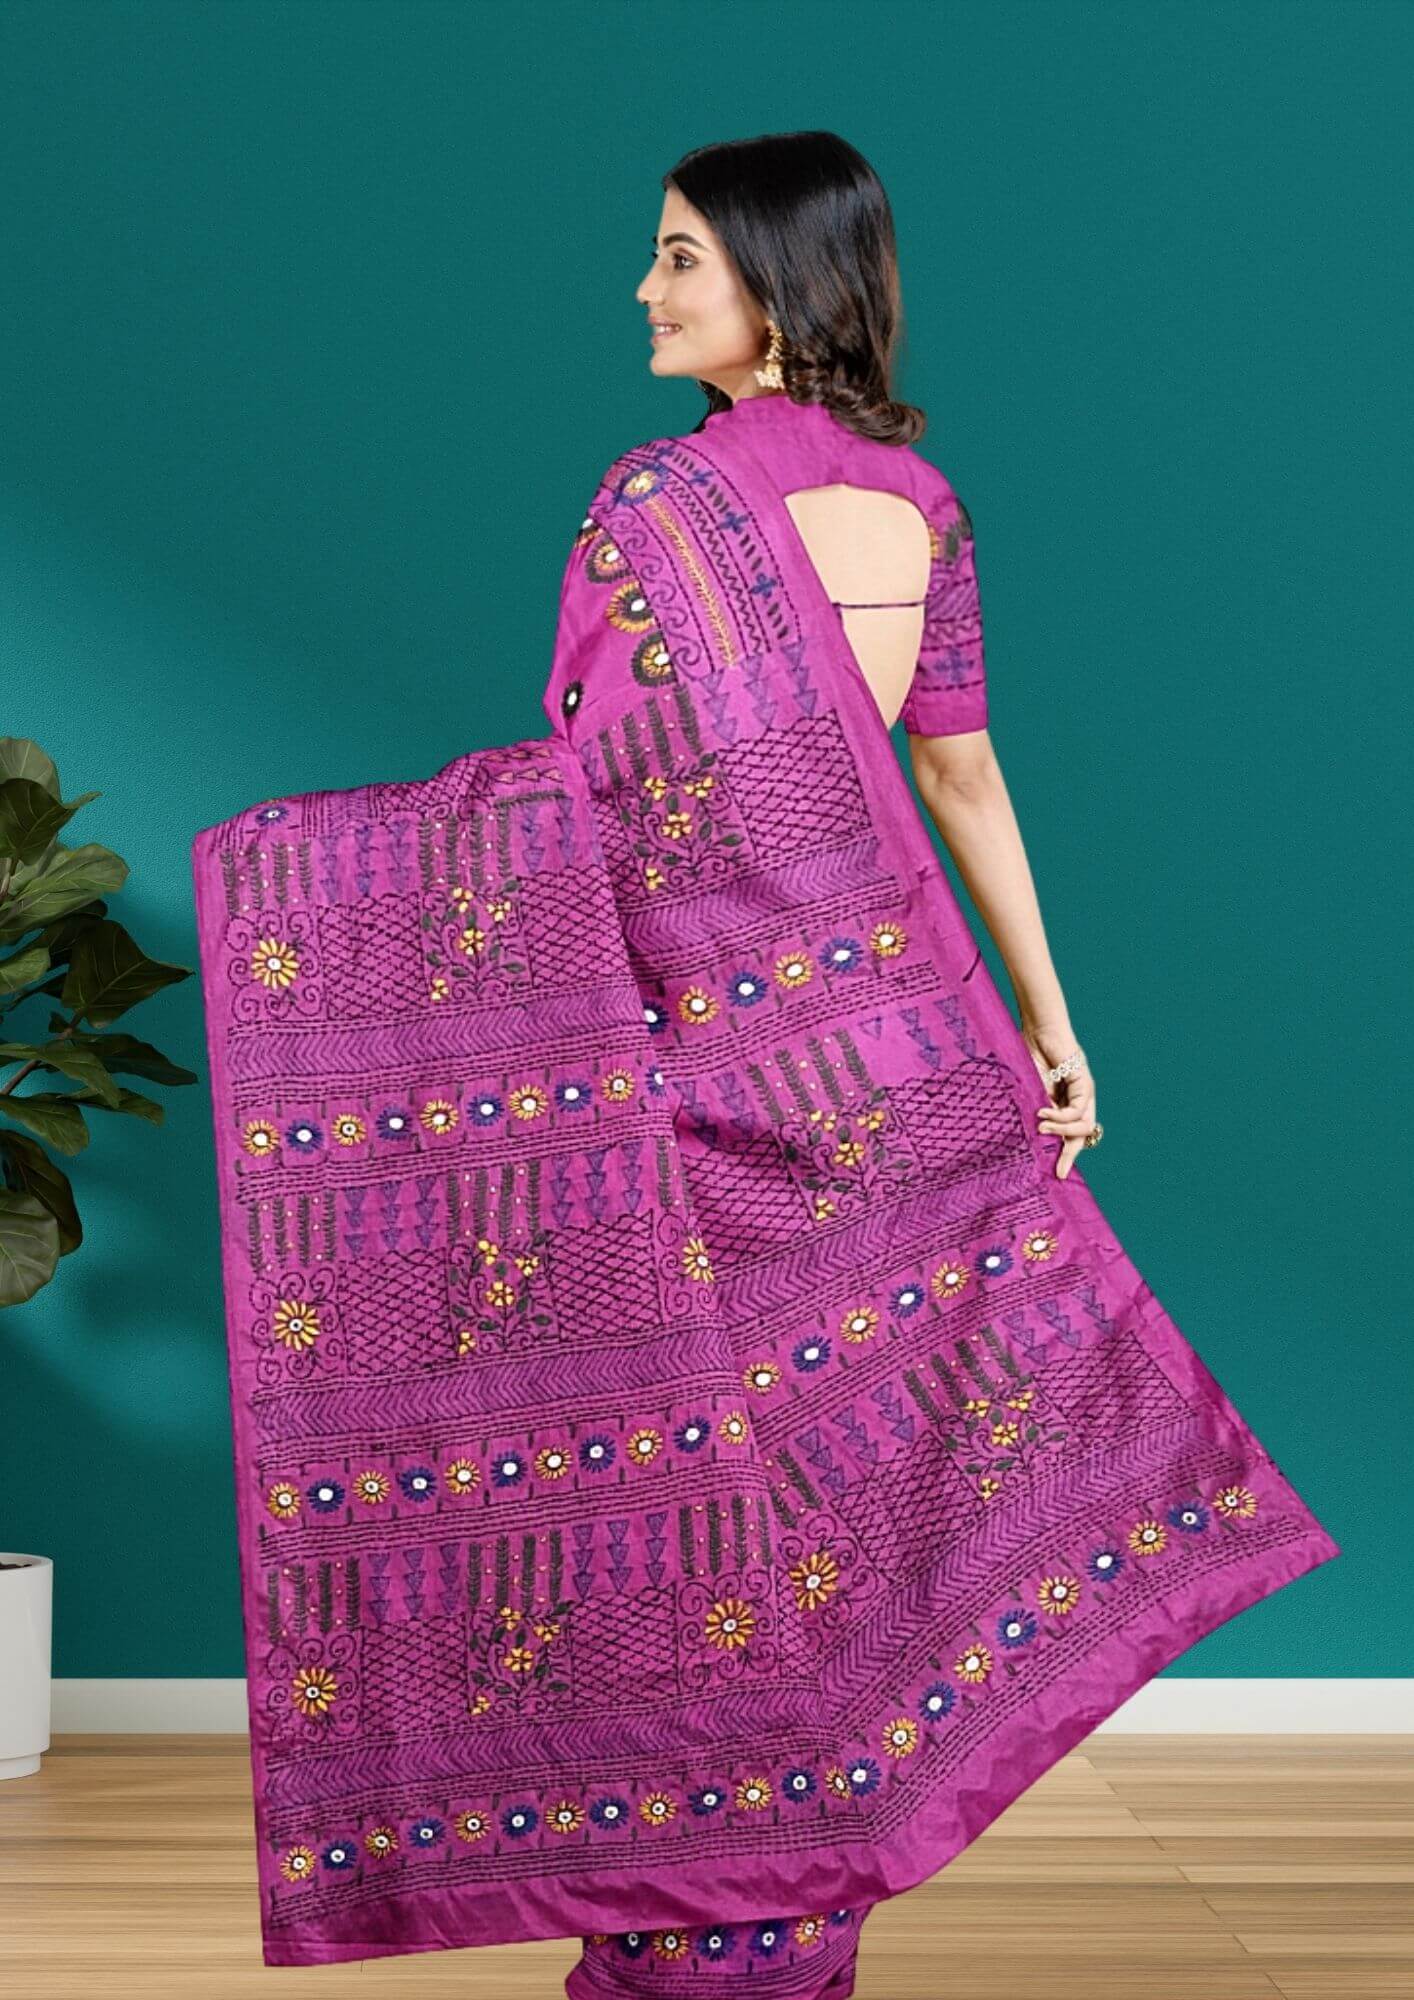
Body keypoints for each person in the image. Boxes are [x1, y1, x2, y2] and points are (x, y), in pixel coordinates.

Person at [190, 131, 1339, 1994]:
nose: (643, 292)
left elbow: (584, 803)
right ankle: (787, 1927)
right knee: (855, 1520)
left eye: (677, 258)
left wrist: (313, 885)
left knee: (692, 1531)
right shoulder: (923, 505)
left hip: (698, 1086)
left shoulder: (657, 502)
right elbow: (960, 776)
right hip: (909, 1063)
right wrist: (1047, 1025)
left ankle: (713, 1944)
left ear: (777, 274)